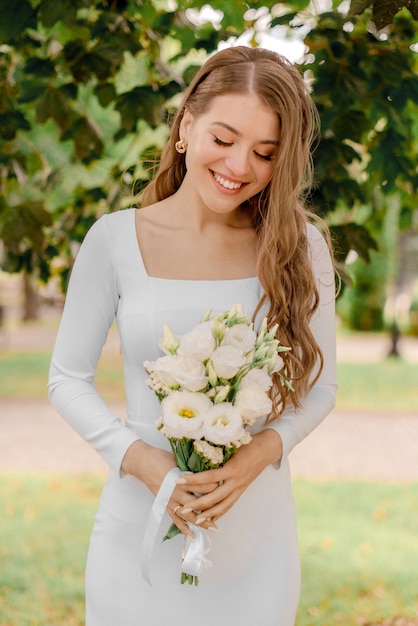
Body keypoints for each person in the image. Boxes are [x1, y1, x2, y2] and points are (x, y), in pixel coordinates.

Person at [48, 45, 337, 626]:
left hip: (256, 534)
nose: (240, 167)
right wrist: (147, 464)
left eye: (265, 153)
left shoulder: (300, 247)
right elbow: (67, 379)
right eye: (224, 140)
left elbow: (321, 389)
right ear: (186, 126)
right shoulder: (113, 240)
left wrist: (257, 454)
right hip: (140, 525)